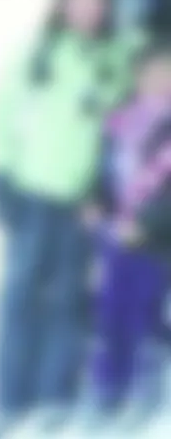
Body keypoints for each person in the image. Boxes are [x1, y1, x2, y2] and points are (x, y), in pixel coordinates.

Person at [0, 0, 135, 432]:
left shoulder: (118, 59)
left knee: (69, 298)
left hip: (83, 203)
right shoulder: (41, 53)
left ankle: (55, 396)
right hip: (32, 194)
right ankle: (11, 398)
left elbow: (128, 131)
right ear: (64, 2)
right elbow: (3, 114)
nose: (86, 8)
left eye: (96, 0)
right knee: (21, 296)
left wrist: (105, 193)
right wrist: (1, 175)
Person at [84, 41, 171, 428]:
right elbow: (105, 170)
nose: (159, 80)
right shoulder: (121, 119)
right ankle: (109, 387)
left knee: (145, 314)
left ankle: (144, 390)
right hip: (115, 235)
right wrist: (96, 201)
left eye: (167, 74)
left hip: (156, 240)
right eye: (152, 72)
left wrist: (146, 224)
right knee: (112, 310)